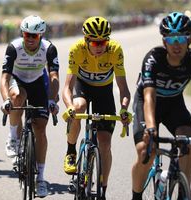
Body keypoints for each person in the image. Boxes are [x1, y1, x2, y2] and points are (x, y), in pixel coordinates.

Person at [131, 12, 191, 200]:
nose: (176, 44)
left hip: (174, 104)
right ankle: (136, 196)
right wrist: (151, 128)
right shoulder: (153, 58)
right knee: (145, 150)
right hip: (147, 103)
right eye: (171, 39)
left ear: (189, 40)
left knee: (187, 140)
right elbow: (149, 96)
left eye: (181, 38)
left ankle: (184, 191)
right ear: (164, 41)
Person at [62, 16, 131, 199]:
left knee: (105, 144)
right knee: (78, 107)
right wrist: (69, 107)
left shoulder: (115, 50)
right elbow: (68, 87)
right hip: (83, 88)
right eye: (95, 43)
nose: (99, 46)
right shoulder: (77, 50)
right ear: (86, 40)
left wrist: (124, 109)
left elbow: (123, 89)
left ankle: (103, 190)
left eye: (103, 42)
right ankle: (71, 151)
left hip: (104, 93)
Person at [0, 15, 59, 197]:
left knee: (40, 129)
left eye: (34, 36)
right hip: (18, 81)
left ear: (41, 35)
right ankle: (12, 138)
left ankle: (40, 178)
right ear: (22, 34)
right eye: (27, 35)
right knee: (18, 96)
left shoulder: (49, 48)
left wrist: (52, 99)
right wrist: (5, 100)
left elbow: (54, 77)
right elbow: (4, 78)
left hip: (38, 83)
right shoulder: (14, 47)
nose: (31, 39)